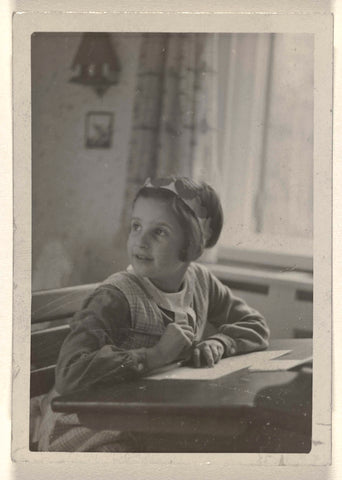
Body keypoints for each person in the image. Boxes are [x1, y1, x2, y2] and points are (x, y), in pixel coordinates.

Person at [34, 176, 270, 452]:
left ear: (195, 247)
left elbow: (254, 324)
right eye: (136, 226)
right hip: (87, 428)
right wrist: (155, 356)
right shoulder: (114, 297)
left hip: (149, 420)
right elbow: (70, 374)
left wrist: (219, 342)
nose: (140, 241)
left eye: (159, 232)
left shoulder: (201, 281)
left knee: (240, 438)